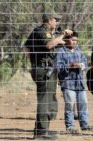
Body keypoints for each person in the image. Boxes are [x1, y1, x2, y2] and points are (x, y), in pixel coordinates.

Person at [24, 10, 73, 139]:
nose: (57, 22)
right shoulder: (41, 32)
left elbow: (27, 47)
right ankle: (41, 133)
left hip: (47, 69)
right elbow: (49, 44)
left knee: (49, 100)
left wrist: (64, 39)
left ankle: (42, 129)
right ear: (49, 20)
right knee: (44, 100)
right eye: (55, 19)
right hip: (43, 70)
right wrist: (36, 64)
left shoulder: (46, 33)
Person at [56, 31, 93, 134]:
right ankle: (70, 126)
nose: (75, 42)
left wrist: (82, 65)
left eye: (76, 40)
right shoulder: (61, 52)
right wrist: (70, 66)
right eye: (73, 40)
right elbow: (58, 67)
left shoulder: (78, 51)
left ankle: (84, 125)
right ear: (66, 40)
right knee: (70, 105)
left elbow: (85, 63)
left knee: (83, 103)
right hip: (68, 83)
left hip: (80, 83)